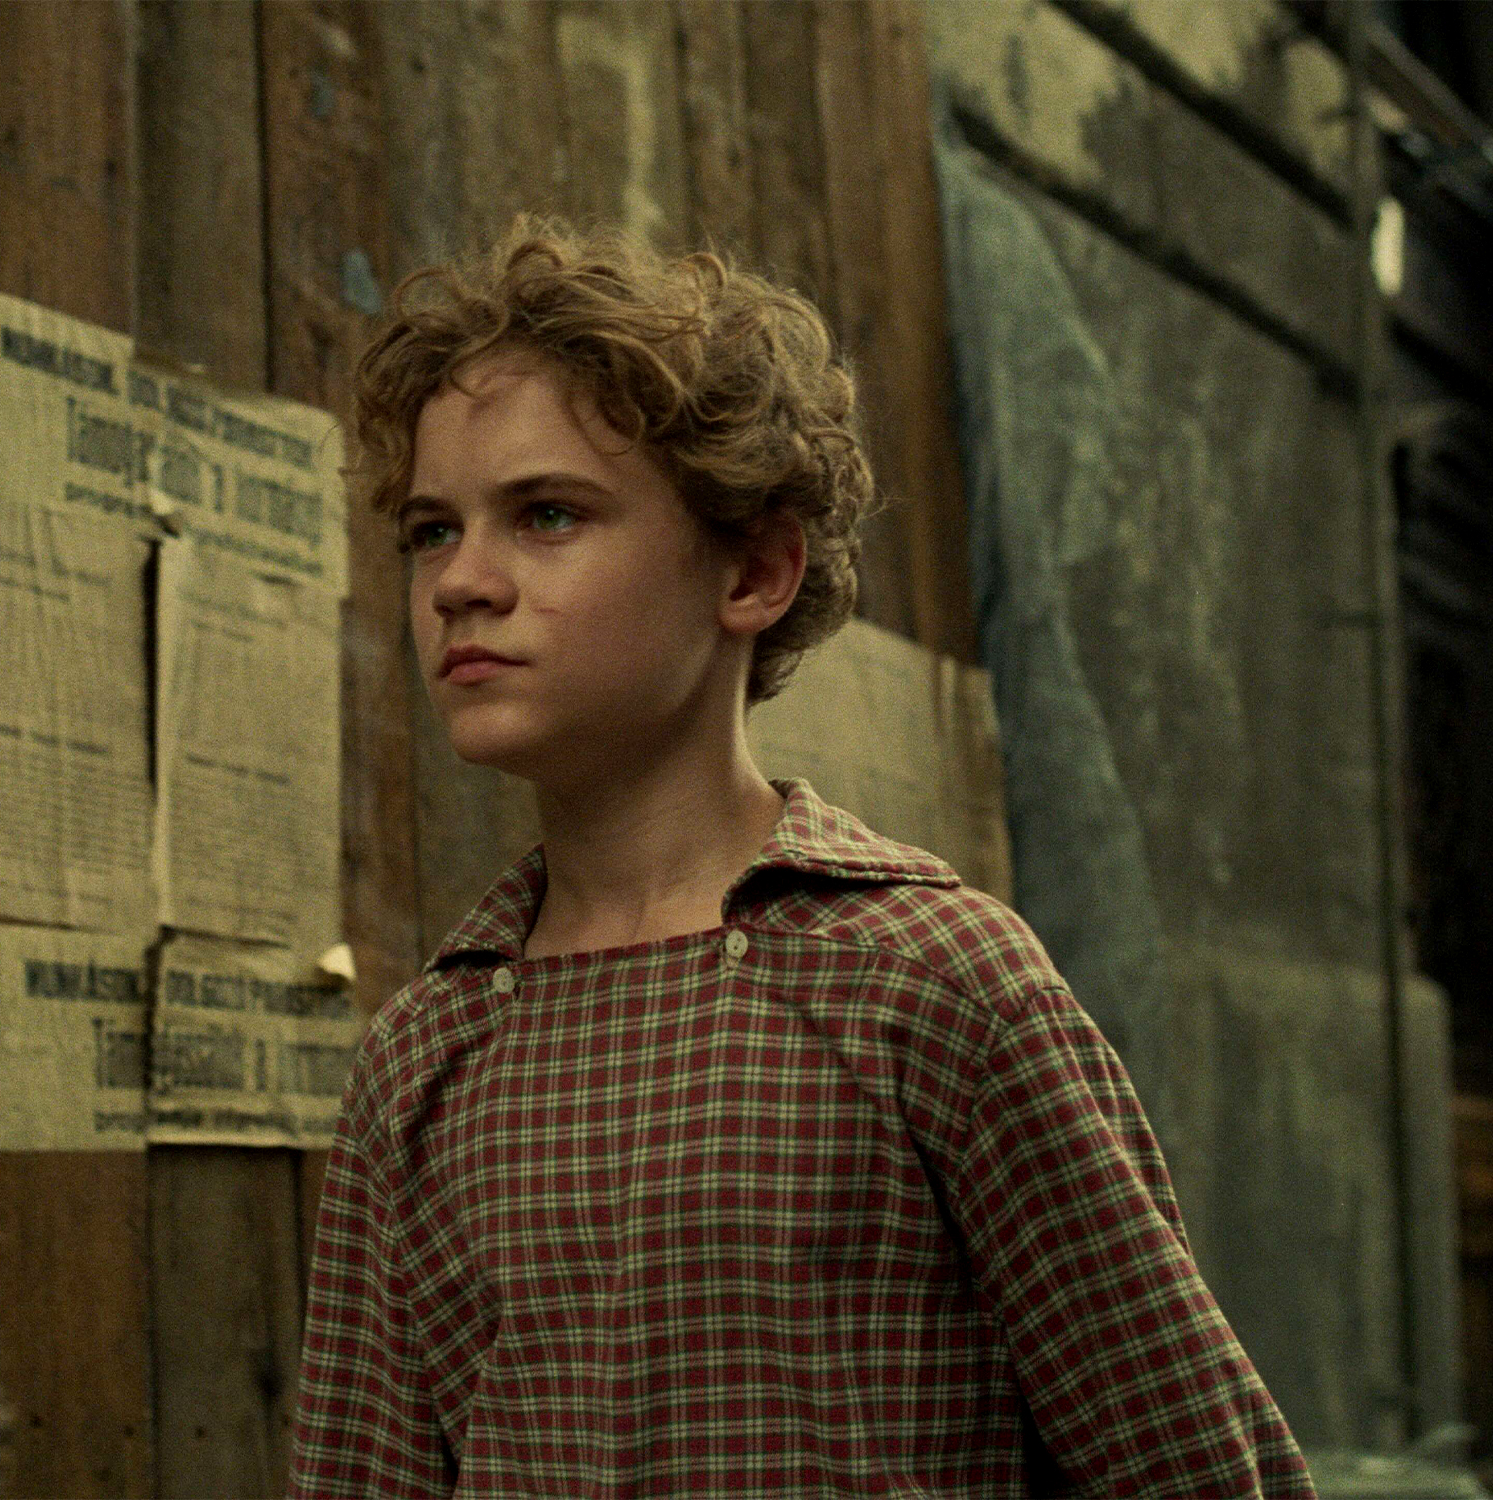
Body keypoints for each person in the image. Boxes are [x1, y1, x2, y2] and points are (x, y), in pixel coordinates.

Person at [288, 216, 1314, 1498]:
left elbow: (1190, 1469)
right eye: (431, 530)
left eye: (546, 514)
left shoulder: (927, 984)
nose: (460, 582)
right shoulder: (423, 1061)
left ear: (755, 570)